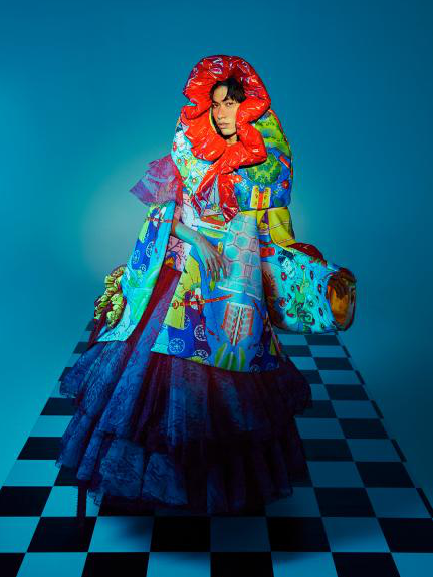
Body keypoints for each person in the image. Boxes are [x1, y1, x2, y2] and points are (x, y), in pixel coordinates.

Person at [56, 55, 357, 517]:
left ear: (249, 105)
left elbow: (278, 236)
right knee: (158, 381)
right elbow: (165, 214)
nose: (222, 112)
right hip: (185, 279)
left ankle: (217, 489)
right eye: (215, 104)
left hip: (236, 288)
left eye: (231, 102)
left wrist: (317, 273)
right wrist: (198, 241)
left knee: (231, 383)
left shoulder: (267, 168)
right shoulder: (189, 152)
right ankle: (162, 485)